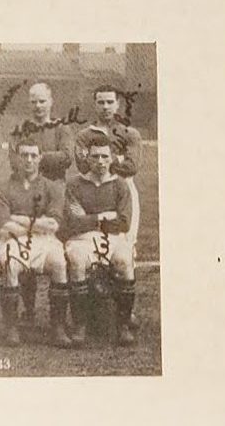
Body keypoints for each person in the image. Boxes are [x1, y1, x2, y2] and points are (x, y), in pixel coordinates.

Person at [74, 85, 142, 327]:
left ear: (118, 104)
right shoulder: (84, 135)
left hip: (123, 191)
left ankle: (126, 310)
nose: (105, 107)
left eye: (110, 102)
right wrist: (116, 159)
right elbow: (82, 166)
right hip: (94, 191)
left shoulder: (129, 133)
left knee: (125, 245)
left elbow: (132, 167)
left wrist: (101, 160)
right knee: (93, 245)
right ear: (95, 104)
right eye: (101, 102)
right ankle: (97, 306)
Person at [8, 82, 75, 324]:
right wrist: (39, 159)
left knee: (60, 251)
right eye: (34, 101)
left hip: (56, 193)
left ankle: (65, 315)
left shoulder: (61, 128)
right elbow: (14, 161)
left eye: (42, 101)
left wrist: (35, 156)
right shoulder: (21, 128)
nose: (38, 106)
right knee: (28, 245)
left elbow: (67, 157)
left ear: (51, 101)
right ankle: (29, 309)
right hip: (28, 192)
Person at [0, 140, 71, 348]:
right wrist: (37, 223)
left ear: (40, 158)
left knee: (59, 263)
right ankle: (11, 326)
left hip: (45, 240)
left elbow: (53, 224)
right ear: (16, 158)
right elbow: (3, 225)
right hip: (13, 239)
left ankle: (58, 326)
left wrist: (19, 219)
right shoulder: (3, 187)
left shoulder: (51, 186)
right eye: (24, 155)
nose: (28, 160)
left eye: (33, 156)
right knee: (10, 263)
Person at [64, 136, 135, 347]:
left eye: (105, 156)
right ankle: (80, 325)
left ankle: (123, 325)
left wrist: (88, 218)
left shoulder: (120, 185)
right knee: (77, 261)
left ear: (112, 158)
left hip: (114, 238)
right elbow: (73, 223)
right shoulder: (75, 184)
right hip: (81, 239)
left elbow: (124, 223)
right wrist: (104, 216)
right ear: (87, 157)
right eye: (95, 156)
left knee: (124, 261)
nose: (100, 162)